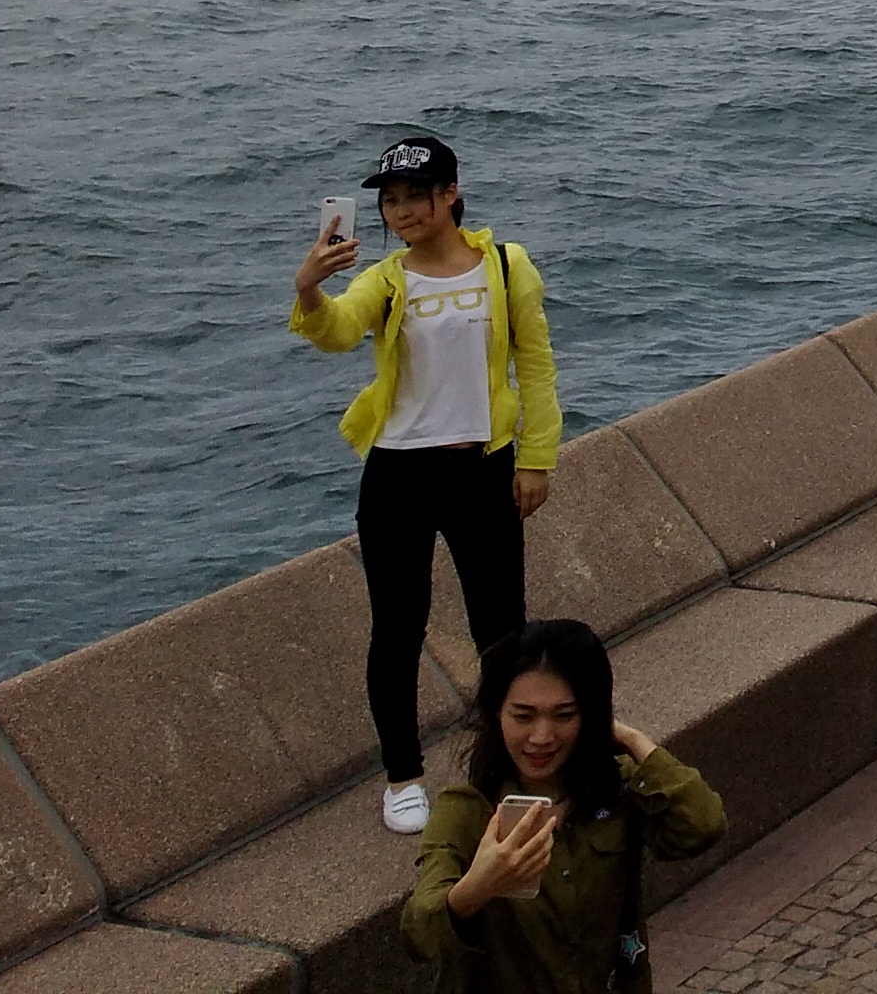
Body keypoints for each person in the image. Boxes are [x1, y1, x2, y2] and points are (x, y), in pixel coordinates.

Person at [291, 134, 563, 829]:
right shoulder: (385, 281)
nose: (403, 210)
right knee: (398, 627)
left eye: (417, 195)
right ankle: (403, 773)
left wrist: (536, 457)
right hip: (398, 476)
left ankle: (507, 765)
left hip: (483, 468)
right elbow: (338, 333)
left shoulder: (505, 267)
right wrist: (310, 289)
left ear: (451, 194)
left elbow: (535, 365)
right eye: (391, 200)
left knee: (502, 629)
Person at [405, 616, 722, 993]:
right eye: (523, 716)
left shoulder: (616, 790)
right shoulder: (467, 811)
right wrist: (478, 887)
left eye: (564, 715)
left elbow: (703, 826)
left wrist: (634, 741)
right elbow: (419, 933)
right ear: (496, 714)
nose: (542, 737)